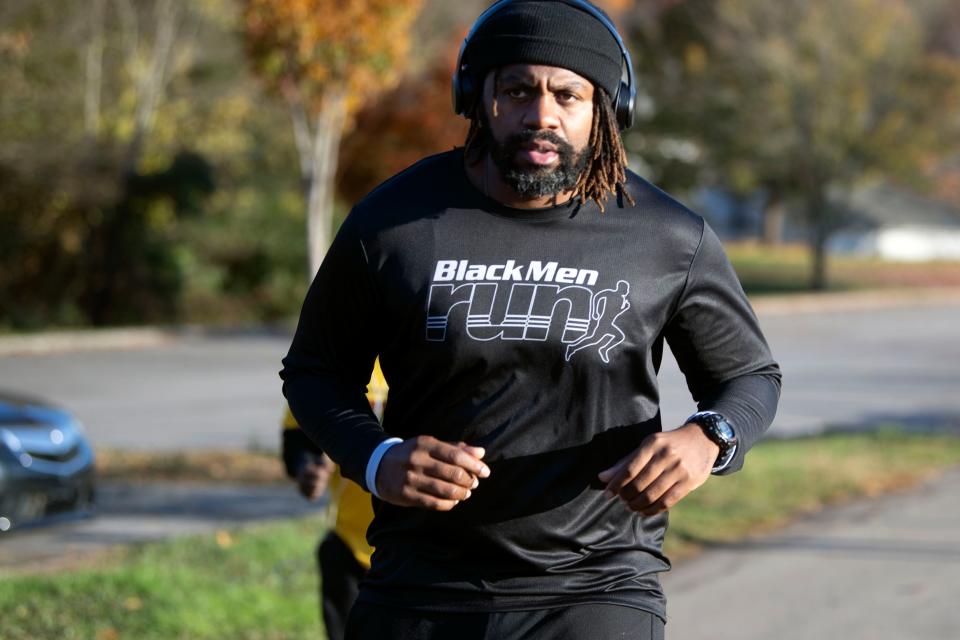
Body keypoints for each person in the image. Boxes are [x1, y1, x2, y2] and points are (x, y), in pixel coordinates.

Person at [281, 1, 781, 637]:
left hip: (598, 588)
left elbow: (751, 377)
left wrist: (711, 437)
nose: (541, 116)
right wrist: (377, 457)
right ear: (476, 96)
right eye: (517, 90)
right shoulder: (394, 223)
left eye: (567, 95)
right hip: (417, 589)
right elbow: (316, 371)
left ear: (606, 109)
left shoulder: (668, 236)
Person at [280, 362, 385, 640]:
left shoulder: (429, 348)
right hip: (350, 543)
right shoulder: (337, 352)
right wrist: (307, 468)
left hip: (416, 547)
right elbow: (296, 440)